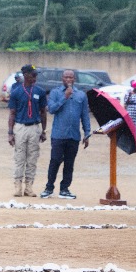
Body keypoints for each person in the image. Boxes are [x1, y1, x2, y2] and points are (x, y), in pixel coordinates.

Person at [40, 69, 91, 200]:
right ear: (62, 79)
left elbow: (85, 115)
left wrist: (87, 133)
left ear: (74, 79)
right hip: (58, 134)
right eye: (66, 77)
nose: (68, 79)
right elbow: (51, 109)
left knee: (69, 163)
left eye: (71, 77)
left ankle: (65, 189)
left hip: (74, 135)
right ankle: (49, 188)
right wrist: (65, 97)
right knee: (55, 160)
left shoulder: (81, 95)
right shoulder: (55, 92)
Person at [7, 64, 47, 197]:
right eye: (33, 75)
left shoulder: (40, 91)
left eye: (36, 75)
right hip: (20, 127)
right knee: (19, 158)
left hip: (35, 127)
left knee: (32, 158)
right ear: (26, 75)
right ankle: (17, 186)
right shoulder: (16, 92)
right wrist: (10, 133)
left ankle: (29, 186)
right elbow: (12, 113)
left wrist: (43, 130)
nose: (35, 77)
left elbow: (43, 112)